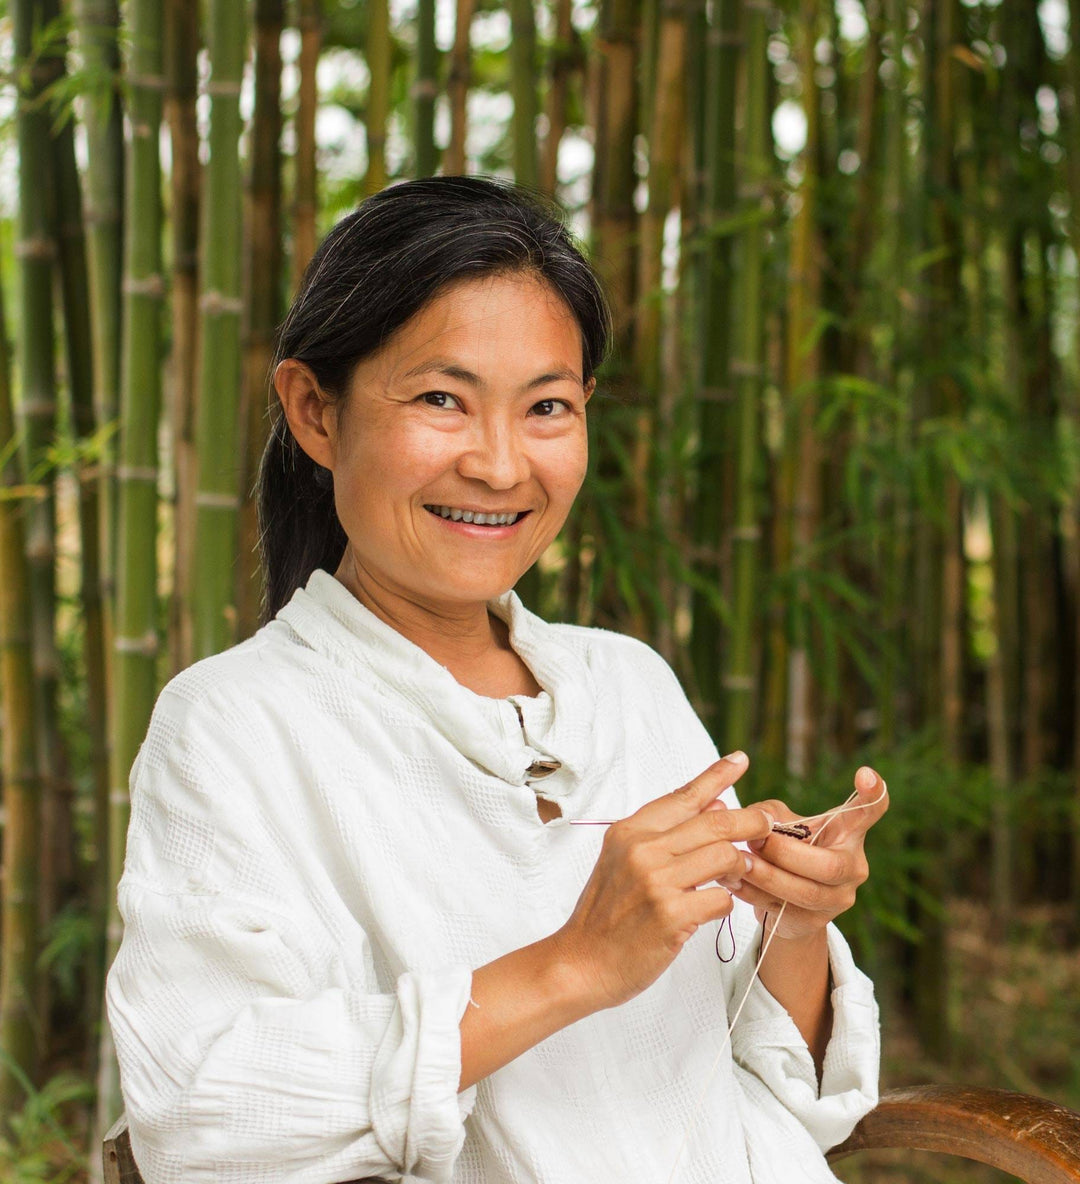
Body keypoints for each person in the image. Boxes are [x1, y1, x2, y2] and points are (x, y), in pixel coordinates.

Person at [106, 175, 888, 1184]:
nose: (500, 463)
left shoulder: (630, 684)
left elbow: (771, 1085)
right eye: (442, 397)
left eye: (547, 406)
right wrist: (574, 963)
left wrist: (796, 918)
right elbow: (203, 1113)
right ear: (315, 410)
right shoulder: (235, 724)